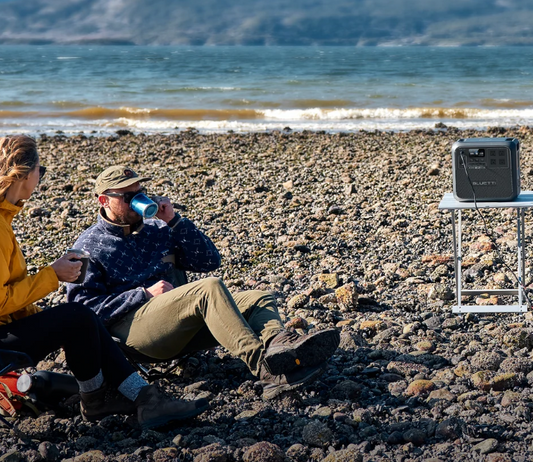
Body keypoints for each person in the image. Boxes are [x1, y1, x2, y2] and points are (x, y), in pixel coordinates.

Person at [0, 135, 208, 428]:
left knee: (79, 318)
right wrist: (54, 275)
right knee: (77, 317)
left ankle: (127, 398)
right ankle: (114, 398)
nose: (41, 178)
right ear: (23, 176)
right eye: (41, 171)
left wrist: (44, 316)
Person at [67, 165, 337, 397]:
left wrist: (174, 221)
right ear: (104, 200)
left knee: (259, 298)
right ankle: (266, 371)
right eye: (129, 196)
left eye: (141, 193)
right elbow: (82, 312)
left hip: (178, 321)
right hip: (136, 334)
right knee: (209, 288)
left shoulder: (158, 229)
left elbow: (209, 261)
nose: (138, 199)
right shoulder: (89, 247)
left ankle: (283, 350)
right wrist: (143, 295)